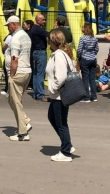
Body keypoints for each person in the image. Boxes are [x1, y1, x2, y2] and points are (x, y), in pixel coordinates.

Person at [45, 29, 75, 162]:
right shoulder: (62, 54)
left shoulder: (58, 55)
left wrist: (52, 88)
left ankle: (66, 151)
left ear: (52, 41)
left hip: (59, 95)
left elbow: (61, 76)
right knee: (52, 117)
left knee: (61, 122)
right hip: (59, 95)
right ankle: (67, 144)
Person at [5, 15, 33, 141]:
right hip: (26, 70)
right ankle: (25, 121)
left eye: (8, 26)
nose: (8, 28)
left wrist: (11, 75)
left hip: (18, 72)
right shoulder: (25, 35)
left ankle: (23, 132)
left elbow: (14, 58)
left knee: (15, 101)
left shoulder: (15, 38)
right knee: (12, 98)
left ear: (14, 24)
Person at [76, 22, 99, 102]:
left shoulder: (83, 38)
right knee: (92, 78)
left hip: (85, 59)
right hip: (93, 59)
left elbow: (79, 50)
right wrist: (93, 54)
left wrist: (78, 57)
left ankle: (86, 97)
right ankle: (94, 96)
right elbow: (96, 49)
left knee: (85, 78)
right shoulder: (95, 38)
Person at [28, 14, 49, 100]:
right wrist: (55, 29)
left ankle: (36, 93)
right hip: (40, 51)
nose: (44, 21)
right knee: (40, 73)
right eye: (43, 19)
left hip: (35, 51)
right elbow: (48, 34)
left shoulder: (33, 29)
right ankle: (40, 94)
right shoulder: (37, 29)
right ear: (38, 20)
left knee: (36, 73)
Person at [1, 30, 13, 95]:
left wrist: (3, 51)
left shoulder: (9, 37)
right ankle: (10, 89)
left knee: (7, 73)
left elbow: (4, 46)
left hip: (8, 57)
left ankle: (7, 89)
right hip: (14, 57)